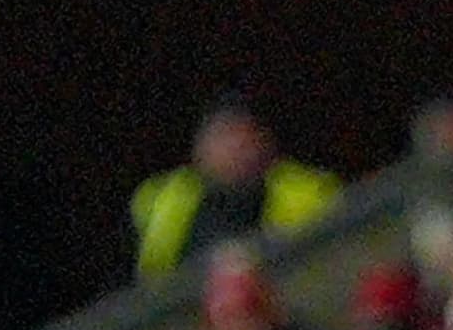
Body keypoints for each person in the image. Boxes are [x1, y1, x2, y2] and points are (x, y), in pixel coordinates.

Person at [132, 96, 340, 281]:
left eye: (244, 140)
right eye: (223, 138)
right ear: (200, 149)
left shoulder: (309, 193)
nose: (236, 150)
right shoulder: (165, 201)